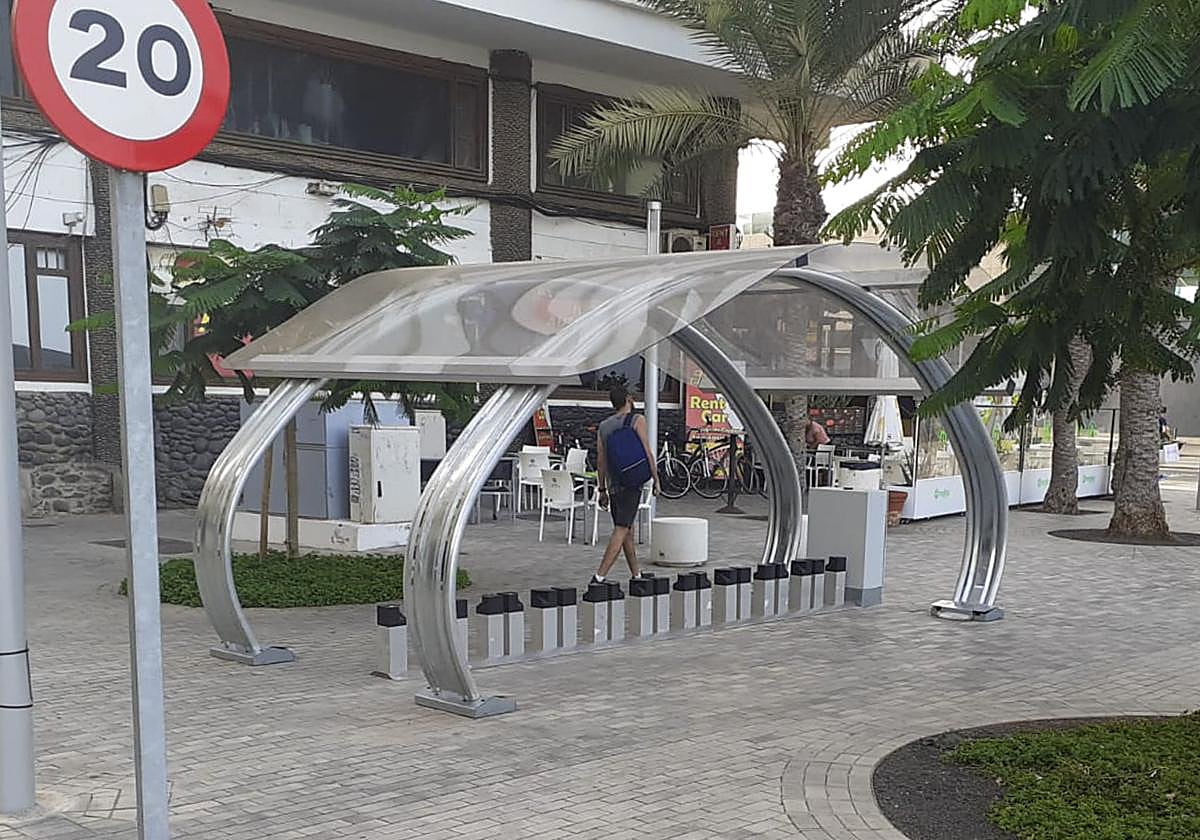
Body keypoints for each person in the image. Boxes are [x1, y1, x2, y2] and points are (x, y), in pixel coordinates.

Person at [591, 385, 659, 584]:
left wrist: (602, 488)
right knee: (622, 528)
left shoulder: (603, 426)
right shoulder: (637, 420)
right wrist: (656, 478)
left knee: (627, 529)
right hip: (631, 483)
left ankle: (636, 575)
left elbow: (601, 461)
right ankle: (599, 576)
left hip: (614, 485)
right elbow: (647, 451)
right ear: (629, 399)